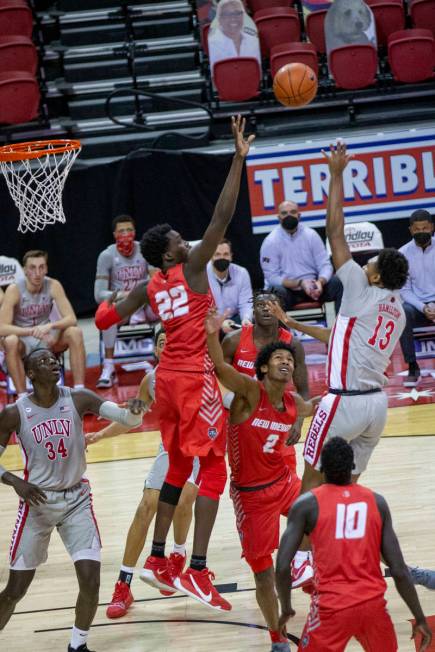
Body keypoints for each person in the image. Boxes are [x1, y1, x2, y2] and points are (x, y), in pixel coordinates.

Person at [95, 115, 254, 611]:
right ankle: (199, 569)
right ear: (170, 255)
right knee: (213, 471)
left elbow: (103, 319)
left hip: (164, 382)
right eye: (180, 241)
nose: (189, 241)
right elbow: (221, 219)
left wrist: (107, 304)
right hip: (192, 379)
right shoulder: (190, 268)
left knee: (177, 467)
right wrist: (238, 160)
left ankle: (161, 556)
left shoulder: (148, 284)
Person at [0, 348, 145, 652]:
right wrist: (15, 482)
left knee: (91, 580)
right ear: (30, 374)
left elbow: (127, 420)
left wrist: (134, 410)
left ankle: (77, 645)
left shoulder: (79, 398)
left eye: (54, 360)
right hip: (37, 503)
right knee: (15, 589)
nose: (52, 363)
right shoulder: (14, 412)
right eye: (43, 361)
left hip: (77, 499)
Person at [205, 308, 319, 652]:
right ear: (264, 367)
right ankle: (276, 637)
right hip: (251, 496)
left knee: (326, 519)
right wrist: (212, 334)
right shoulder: (250, 393)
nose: (286, 362)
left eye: (289, 359)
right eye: (279, 358)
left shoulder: (292, 402)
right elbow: (221, 368)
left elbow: (314, 406)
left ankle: (307, 568)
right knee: (262, 573)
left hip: (283, 483)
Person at [301, 142, 408, 493]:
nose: (364, 264)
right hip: (378, 405)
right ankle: (343, 543)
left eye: (370, 263)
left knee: (311, 484)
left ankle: (301, 550)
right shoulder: (398, 309)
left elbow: (334, 233)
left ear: (376, 276)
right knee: (347, 487)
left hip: (344, 400)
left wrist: (335, 176)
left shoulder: (359, 291)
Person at [276, 437, 432, 652]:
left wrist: (285, 608)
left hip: (331, 609)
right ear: (352, 467)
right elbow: (399, 569)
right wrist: (419, 616)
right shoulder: (377, 502)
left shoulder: (306, 505)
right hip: (373, 607)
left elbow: (283, 566)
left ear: (322, 469)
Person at [86, 328, 200, 619]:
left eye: (171, 340)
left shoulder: (199, 370)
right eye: (161, 342)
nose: (167, 345)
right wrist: (100, 435)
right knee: (145, 507)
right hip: (169, 450)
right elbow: (132, 418)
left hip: (198, 448)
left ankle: (176, 555)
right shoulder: (150, 381)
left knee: (184, 498)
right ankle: (124, 585)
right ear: (157, 351)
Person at [222, 291, 309, 471]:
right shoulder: (233, 340)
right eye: (261, 305)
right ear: (253, 311)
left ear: (280, 311)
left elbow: (304, 389)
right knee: (246, 480)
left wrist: (298, 422)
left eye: (271, 305)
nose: (266, 309)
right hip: (244, 419)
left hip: (278, 418)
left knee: (287, 477)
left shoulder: (292, 344)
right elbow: (218, 380)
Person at [0, 250, 86, 397]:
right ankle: (22, 397)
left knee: (74, 332)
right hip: (23, 340)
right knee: (10, 340)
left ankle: (80, 392)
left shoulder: (53, 285)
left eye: (41, 267)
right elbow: (2, 327)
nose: (37, 272)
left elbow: (71, 318)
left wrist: (51, 326)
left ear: (46, 269)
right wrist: (32, 331)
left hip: (47, 339)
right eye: (32, 268)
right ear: (25, 270)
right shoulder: (14, 290)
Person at [94, 214, 156, 389]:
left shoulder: (145, 249)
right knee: (107, 316)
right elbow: (99, 294)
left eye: (129, 230)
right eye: (121, 231)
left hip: (144, 304)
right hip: (123, 305)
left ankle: (166, 360)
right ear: (114, 234)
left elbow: (156, 281)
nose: (126, 234)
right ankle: (108, 365)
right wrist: (125, 294)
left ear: (135, 232)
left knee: (165, 308)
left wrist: (143, 294)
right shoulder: (106, 255)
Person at [260, 200, 343, 313]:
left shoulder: (311, 235)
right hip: (289, 291)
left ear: (299, 216)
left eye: (293, 212)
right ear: (279, 218)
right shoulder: (270, 242)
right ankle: (280, 330)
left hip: (315, 286)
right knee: (274, 292)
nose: (289, 215)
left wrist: (320, 282)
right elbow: (272, 278)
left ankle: (343, 328)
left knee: (338, 282)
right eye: (284, 213)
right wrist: (300, 283)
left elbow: (325, 265)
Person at [398, 209, 435, 386]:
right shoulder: (402, 254)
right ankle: (413, 366)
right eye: (417, 229)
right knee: (402, 312)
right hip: (417, 306)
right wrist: (423, 307)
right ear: (411, 230)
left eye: (425, 228)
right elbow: (404, 291)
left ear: (432, 228)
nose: (421, 232)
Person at [207, 238, 253, 331]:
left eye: (226, 254)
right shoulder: (202, 275)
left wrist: (246, 319)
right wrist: (220, 323)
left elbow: (246, 303)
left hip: (235, 320)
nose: (222, 258)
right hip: (211, 321)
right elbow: (201, 309)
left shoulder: (241, 273)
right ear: (211, 256)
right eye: (217, 254)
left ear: (231, 256)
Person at [208, 0, 261, 75]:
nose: (233, 18)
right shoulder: (213, 43)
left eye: (237, 13)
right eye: (227, 14)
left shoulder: (253, 41)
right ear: (220, 19)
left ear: (243, 16)